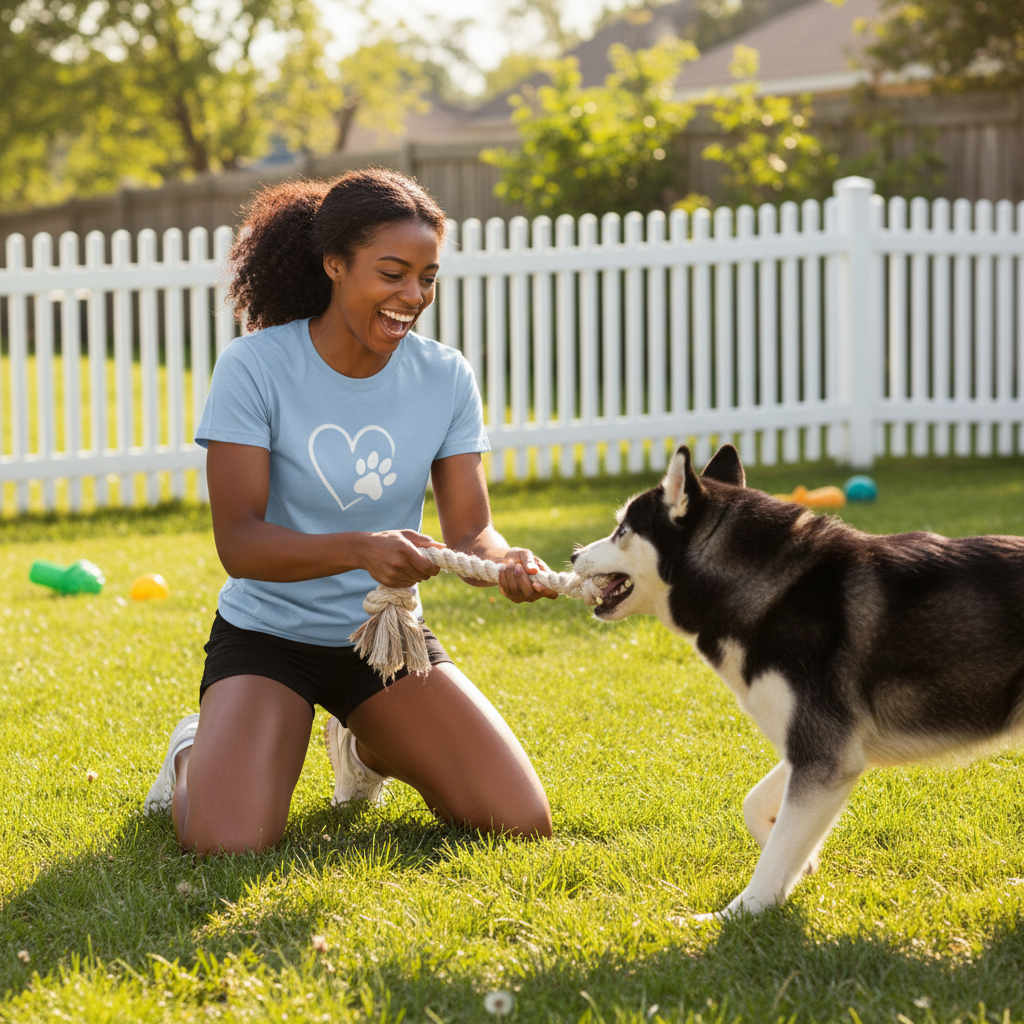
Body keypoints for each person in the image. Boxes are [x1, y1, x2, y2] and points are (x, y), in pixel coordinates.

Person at [143, 168, 557, 855]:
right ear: (335, 265)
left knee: (518, 819)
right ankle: (194, 748)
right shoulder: (254, 367)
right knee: (228, 845)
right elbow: (241, 544)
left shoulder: (445, 375)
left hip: (384, 642)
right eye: (392, 273)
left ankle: (364, 750)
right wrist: (361, 548)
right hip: (267, 640)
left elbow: (470, 530)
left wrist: (504, 562)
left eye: (427, 277)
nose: (413, 296)